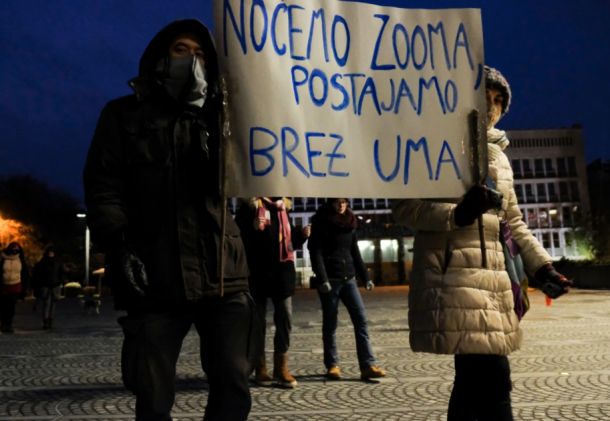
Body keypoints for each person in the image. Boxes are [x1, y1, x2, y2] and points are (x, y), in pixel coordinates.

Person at [83, 19, 254, 421]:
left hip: (223, 275)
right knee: (152, 394)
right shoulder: (123, 115)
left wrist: (219, 120)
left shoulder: (224, 117)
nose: (191, 60)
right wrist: (119, 244)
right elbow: (103, 185)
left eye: (200, 54)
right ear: (160, 57)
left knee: (233, 380)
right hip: (154, 274)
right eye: (182, 50)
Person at [392, 66, 572, 421]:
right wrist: (458, 214)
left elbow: (513, 220)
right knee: (491, 378)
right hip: (454, 276)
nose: (491, 107)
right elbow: (406, 209)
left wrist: (542, 266)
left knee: (475, 383)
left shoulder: (500, 159)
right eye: (484, 97)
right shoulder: (436, 146)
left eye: (498, 100)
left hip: (495, 280)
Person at [307, 198, 386, 381]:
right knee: (330, 324)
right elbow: (315, 252)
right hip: (331, 281)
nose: (342, 205)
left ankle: (367, 365)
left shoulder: (350, 221)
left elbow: (355, 251)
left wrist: (365, 277)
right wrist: (322, 278)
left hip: (349, 278)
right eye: (338, 202)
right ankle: (332, 365)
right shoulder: (321, 221)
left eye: (344, 201)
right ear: (331, 202)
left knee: (361, 320)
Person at [235, 197, 310, 388]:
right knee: (258, 322)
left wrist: (301, 235)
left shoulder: (282, 208)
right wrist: (251, 228)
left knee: (285, 317)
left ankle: (281, 366)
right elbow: (237, 238)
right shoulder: (249, 208)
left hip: (282, 272)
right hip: (258, 273)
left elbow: (290, 240)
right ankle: (260, 366)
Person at [32, 246, 64, 329]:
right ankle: (46, 321)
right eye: (49, 252)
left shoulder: (57, 262)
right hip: (46, 285)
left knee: (53, 304)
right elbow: (37, 274)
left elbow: (61, 273)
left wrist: (60, 282)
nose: (51, 253)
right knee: (47, 304)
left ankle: (50, 320)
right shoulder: (42, 263)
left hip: (55, 285)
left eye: (52, 252)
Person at [0, 242, 29, 333]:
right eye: (13, 248)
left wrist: (25, 288)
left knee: (11, 306)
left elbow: (24, 274)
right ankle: (3, 323)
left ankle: (8, 324)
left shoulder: (20, 259)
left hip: (15, 285)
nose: (15, 251)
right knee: (3, 306)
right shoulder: (3, 258)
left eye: (17, 249)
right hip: (4, 285)